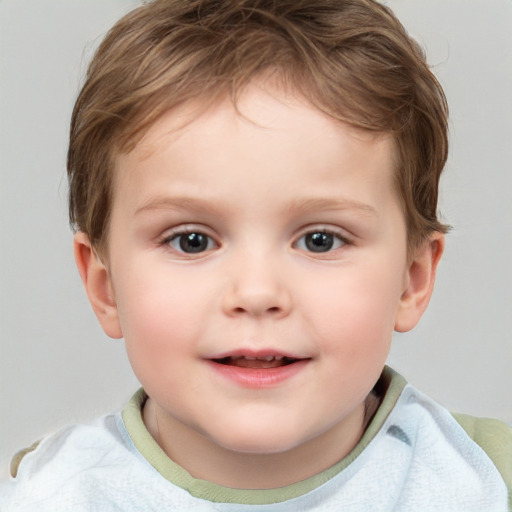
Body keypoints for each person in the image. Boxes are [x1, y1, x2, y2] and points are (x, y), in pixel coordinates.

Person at [1, 0, 510, 509]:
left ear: (412, 279)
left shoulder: (483, 479)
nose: (257, 292)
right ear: (105, 286)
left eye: (320, 239)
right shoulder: (52, 494)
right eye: (191, 240)